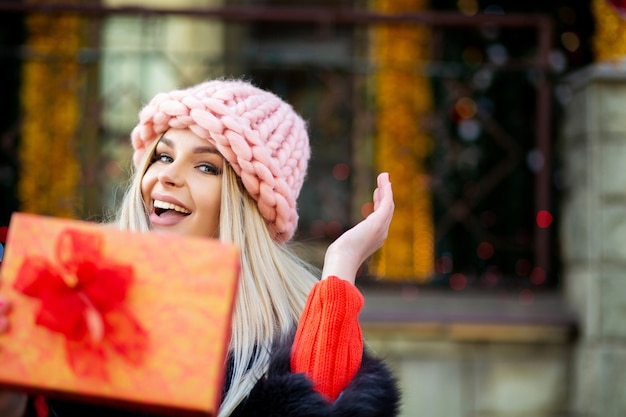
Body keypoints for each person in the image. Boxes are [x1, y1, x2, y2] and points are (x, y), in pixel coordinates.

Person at [0, 79, 399, 417]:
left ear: (248, 204)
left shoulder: (287, 330)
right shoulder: (73, 294)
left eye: (206, 166)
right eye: (163, 155)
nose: (169, 176)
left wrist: (341, 265)